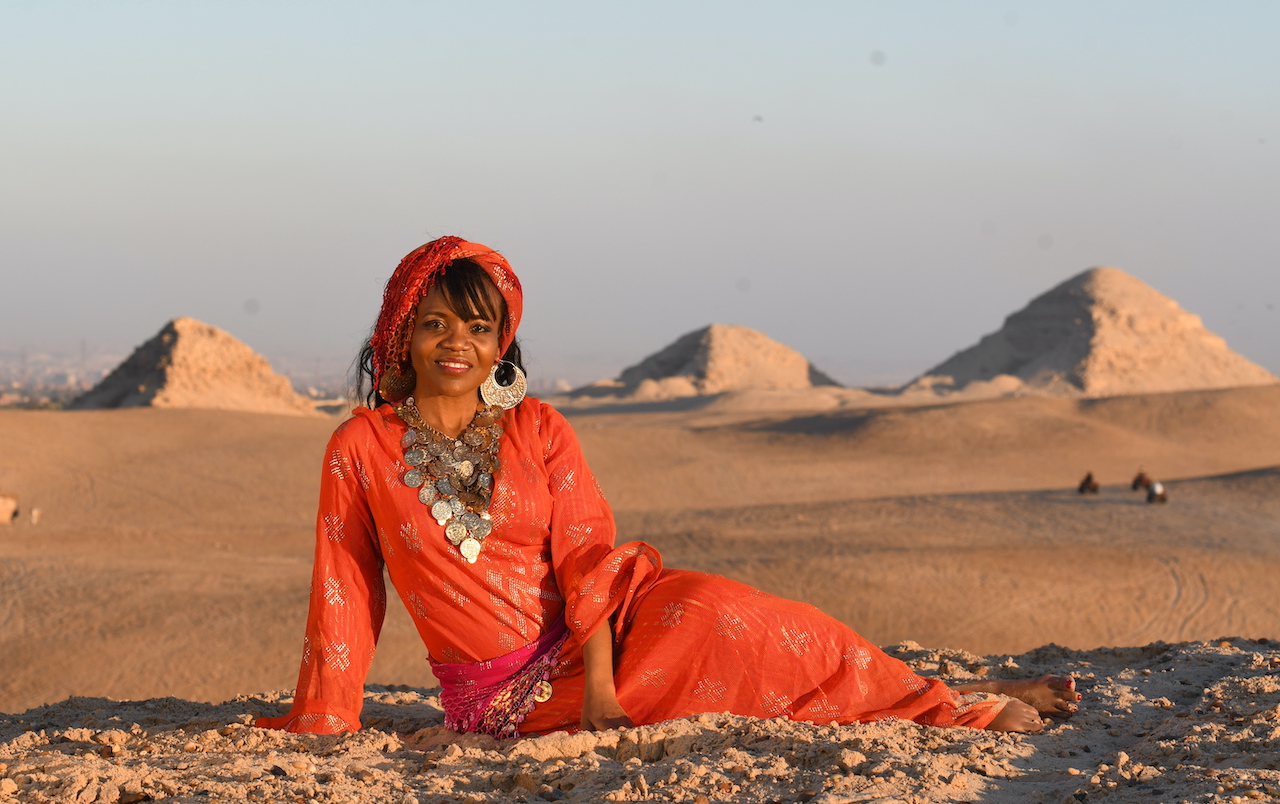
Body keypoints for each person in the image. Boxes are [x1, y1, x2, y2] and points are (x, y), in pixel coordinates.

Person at [257, 237, 1079, 740]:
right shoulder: (360, 447)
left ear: (500, 340)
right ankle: (954, 709)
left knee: (746, 617)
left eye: (478, 327)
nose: (457, 344)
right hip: (508, 695)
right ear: (402, 327)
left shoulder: (537, 425)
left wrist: (605, 691)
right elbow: (344, 590)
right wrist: (326, 716)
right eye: (436, 323)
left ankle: (943, 696)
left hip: (613, 641)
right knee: (760, 667)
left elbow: (588, 558)